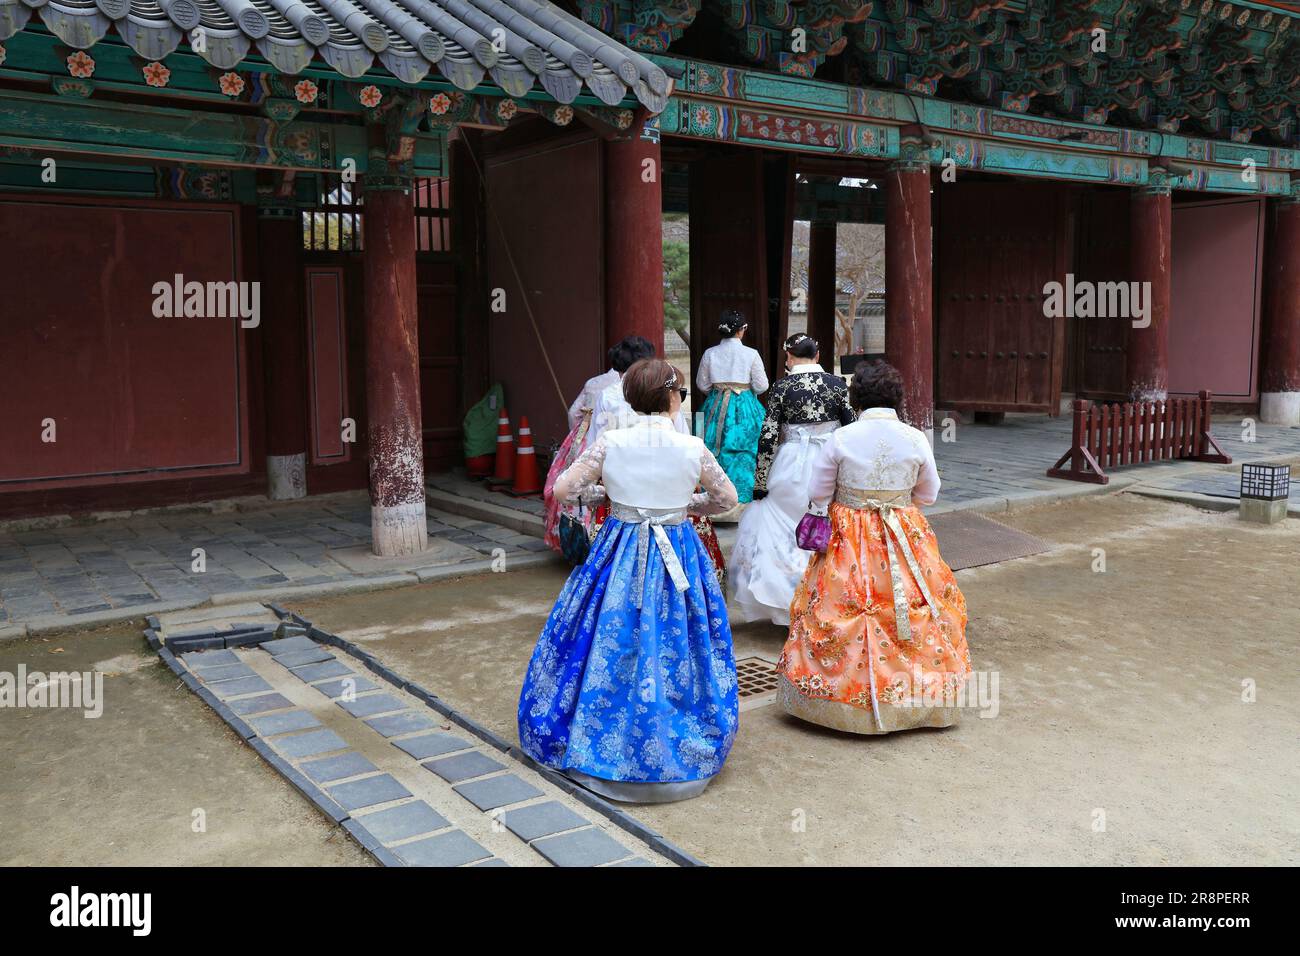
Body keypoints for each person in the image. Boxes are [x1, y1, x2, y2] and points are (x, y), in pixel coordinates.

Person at [519, 359, 740, 803]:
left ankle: (598, 737)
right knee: (681, 637)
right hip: (676, 549)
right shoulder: (692, 446)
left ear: (633, 398)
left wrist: (608, 495)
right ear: (673, 398)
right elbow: (727, 500)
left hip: (617, 547)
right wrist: (684, 507)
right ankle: (672, 733)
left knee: (605, 632)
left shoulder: (611, 442)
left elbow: (562, 489)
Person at [777, 360, 971, 734]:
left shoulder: (842, 438)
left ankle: (842, 701)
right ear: (897, 398)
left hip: (849, 533)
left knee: (845, 602)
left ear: (857, 397)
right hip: (903, 531)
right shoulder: (915, 438)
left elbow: (817, 492)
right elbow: (929, 494)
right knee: (918, 605)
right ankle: (915, 696)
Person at [730, 333, 853, 625]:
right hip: (830, 463)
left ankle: (786, 599)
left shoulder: (781, 387)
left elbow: (769, 435)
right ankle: (829, 598)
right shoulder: (838, 385)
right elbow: (851, 427)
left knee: (785, 531)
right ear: (818, 354)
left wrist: (760, 482)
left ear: (788, 357)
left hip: (790, 466)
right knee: (828, 526)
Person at [543, 337, 652, 552]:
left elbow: (574, 413)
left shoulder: (598, 386)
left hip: (606, 449)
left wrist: (578, 436)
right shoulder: (656, 389)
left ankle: (593, 544)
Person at [695, 309, 768, 504]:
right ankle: (744, 498)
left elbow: (702, 384)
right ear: (741, 330)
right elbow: (762, 386)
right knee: (747, 447)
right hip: (745, 406)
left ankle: (714, 498)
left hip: (715, 404)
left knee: (709, 446)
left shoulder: (710, 353)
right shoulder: (751, 354)